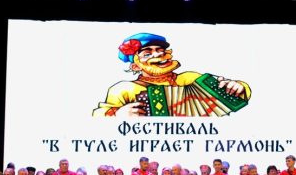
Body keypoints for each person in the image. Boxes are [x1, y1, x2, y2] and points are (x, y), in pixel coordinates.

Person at [93, 33, 251, 117]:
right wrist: (116, 115)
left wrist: (238, 87)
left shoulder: (188, 78)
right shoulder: (123, 89)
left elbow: (228, 94)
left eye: (161, 51)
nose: (158, 55)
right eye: (147, 54)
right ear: (135, 66)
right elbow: (97, 117)